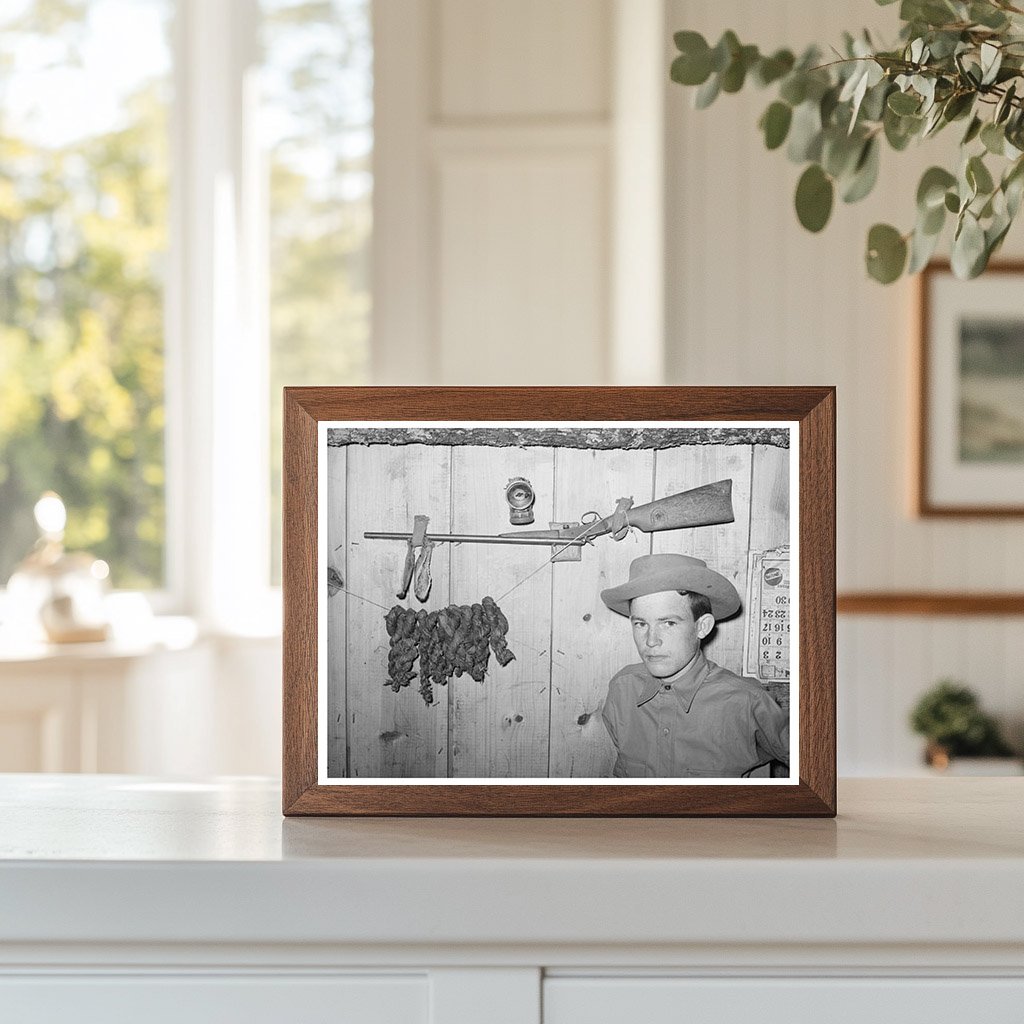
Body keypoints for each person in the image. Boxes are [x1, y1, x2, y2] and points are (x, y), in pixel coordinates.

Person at [599, 552, 789, 779]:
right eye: (640, 624)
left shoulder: (747, 702)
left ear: (702, 627)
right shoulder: (623, 690)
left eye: (668, 623)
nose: (650, 641)